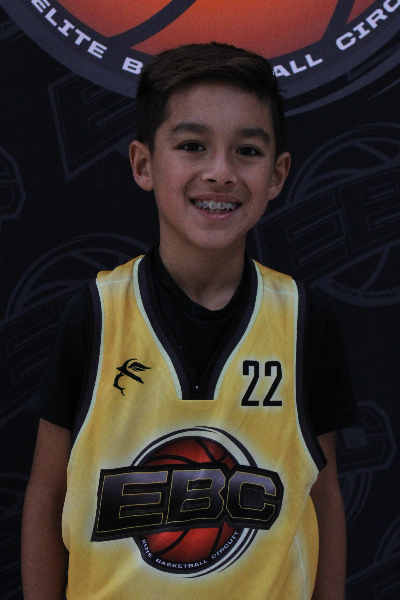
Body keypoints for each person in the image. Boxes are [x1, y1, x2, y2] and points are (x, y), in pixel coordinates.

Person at [21, 42, 358, 600]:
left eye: (247, 151)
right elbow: (47, 493)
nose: (220, 172)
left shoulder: (303, 319)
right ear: (143, 165)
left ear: (277, 174)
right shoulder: (97, 311)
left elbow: (322, 497)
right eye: (193, 146)